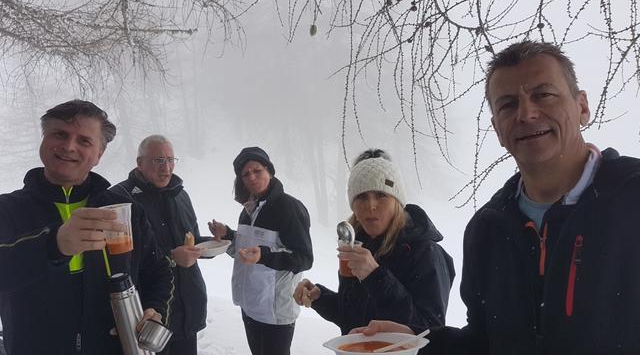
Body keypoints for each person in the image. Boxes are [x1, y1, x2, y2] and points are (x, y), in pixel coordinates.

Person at [352, 40, 640, 354]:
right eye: (508, 104)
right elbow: (484, 343)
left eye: (543, 94)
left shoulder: (630, 198)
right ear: (498, 129)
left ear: (581, 106)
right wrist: (417, 342)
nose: (527, 113)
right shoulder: (487, 229)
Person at [0, 100, 173, 355]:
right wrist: (53, 246)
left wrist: (154, 309)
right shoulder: (7, 209)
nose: (69, 146)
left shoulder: (125, 211)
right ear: (43, 140)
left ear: (99, 155)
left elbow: (157, 270)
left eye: (84, 141)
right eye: (59, 134)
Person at [293, 149, 455, 335]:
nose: (371, 205)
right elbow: (355, 317)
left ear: (397, 201)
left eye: (381, 195)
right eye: (361, 197)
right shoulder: (358, 245)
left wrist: (376, 276)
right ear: (353, 205)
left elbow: (429, 332)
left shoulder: (426, 252)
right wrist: (320, 298)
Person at [208, 146, 313, 355]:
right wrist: (228, 234)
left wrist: (264, 256)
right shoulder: (249, 209)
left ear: (269, 171)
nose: (252, 177)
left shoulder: (289, 208)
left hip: (275, 312)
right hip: (250, 305)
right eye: (245, 174)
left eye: (257, 170)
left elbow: (304, 259)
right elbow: (245, 249)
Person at [110, 135, 210, 355]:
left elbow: (190, 240)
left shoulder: (181, 195)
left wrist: (215, 244)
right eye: (158, 160)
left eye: (171, 160)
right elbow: (119, 260)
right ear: (139, 162)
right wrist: (172, 256)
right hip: (149, 313)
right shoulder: (120, 198)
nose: (166, 167)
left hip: (188, 308)